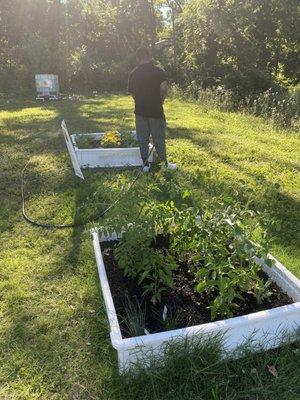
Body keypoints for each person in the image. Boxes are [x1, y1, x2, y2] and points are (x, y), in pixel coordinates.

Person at [127, 46, 177, 172]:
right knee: (158, 138)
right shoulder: (159, 71)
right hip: (156, 110)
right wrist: (161, 100)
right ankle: (164, 165)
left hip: (140, 111)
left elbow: (132, 93)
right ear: (149, 56)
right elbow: (164, 88)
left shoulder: (133, 73)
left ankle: (145, 165)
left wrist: (139, 101)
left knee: (142, 139)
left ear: (138, 58)